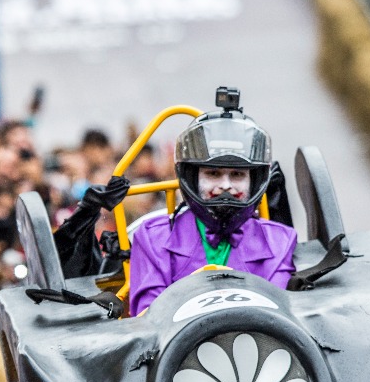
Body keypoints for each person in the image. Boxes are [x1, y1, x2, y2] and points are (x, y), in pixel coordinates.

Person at [127, 90, 297, 316]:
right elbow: (149, 320)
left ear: (254, 181)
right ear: (192, 178)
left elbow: (280, 318)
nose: (226, 185)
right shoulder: (152, 239)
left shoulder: (280, 242)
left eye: (237, 175)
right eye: (213, 174)